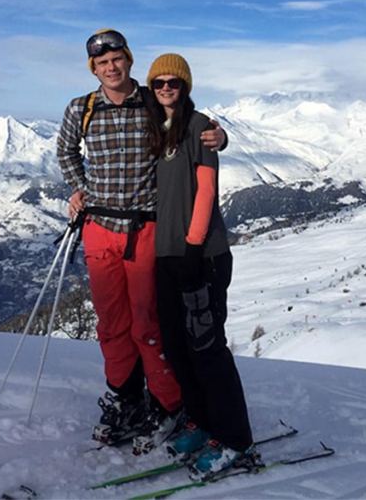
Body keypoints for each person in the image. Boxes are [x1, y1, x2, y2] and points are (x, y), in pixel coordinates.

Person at [56, 30, 227, 452]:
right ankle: (126, 399)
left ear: (129, 61)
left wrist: (220, 138)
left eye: (117, 59)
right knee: (112, 325)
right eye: (102, 63)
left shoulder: (153, 100)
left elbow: (195, 126)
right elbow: (66, 151)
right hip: (99, 228)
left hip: (146, 228)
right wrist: (80, 188)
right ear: (93, 69)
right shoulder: (81, 108)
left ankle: (168, 404)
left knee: (148, 324)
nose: (110, 67)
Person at [144, 53, 255, 479]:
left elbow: (206, 191)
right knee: (177, 347)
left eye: (173, 82)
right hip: (167, 256)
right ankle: (202, 422)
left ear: (185, 86)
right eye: (158, 83)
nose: (166, 89)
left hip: (202, 257)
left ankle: (235, 440)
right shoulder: (159, 128)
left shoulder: (200, 127)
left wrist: (193, 247)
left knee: (207, 349)